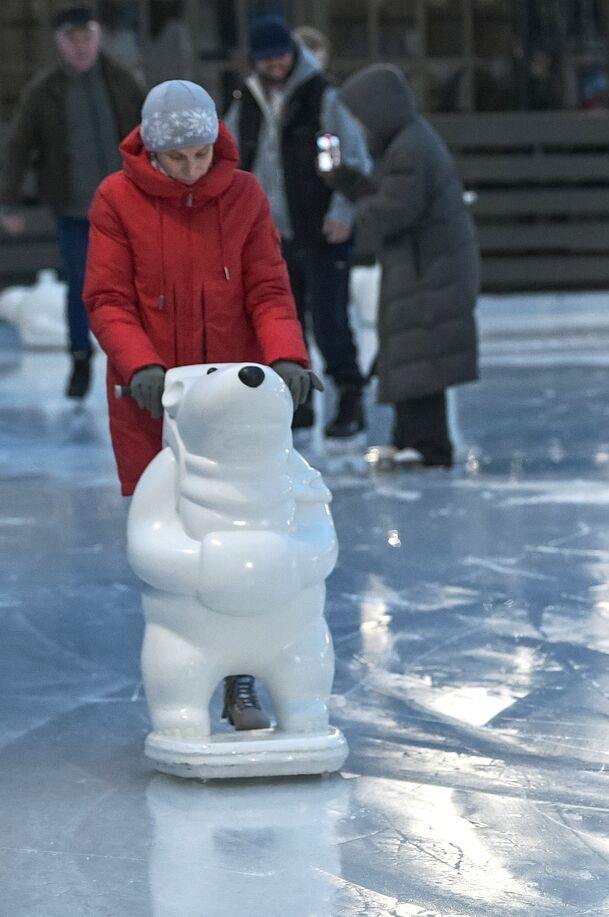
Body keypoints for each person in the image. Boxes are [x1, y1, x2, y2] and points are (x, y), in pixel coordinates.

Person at [83, 79, 320, 730]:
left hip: (229, 405)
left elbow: (268, 289)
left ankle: (240, 681)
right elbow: (106, 299)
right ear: (152, 151)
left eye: (201, 152)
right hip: (152, 397)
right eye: (177, 157)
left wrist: (287, 357)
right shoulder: (116, 200)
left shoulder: (242, 195)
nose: (192, 167)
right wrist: (142, 366)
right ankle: (187, 671)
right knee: (178, 545)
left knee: (244, 537)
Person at [322, 64, 479, 469]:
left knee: (420, 354)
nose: (357, 125)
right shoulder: (405, 142)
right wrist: (348, 181)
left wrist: (359, 212)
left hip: (430, 266)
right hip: (422, 263)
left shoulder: (410, 147)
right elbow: (388, 194)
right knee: (408, 351)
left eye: (360, 116)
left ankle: (429, 445)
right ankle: (409, 437)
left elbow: (396, 209)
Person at [226, 16, 372, 438]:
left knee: (329, 320)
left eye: (281, 56)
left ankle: (349, 396)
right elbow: (231, 159)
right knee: (283, 324)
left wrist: (343, 213)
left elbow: (353, 161)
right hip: (271, 237)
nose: (274, 65)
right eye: (266, 59)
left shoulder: (323, 97)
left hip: (322, 229)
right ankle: (297, 402)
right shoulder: (247, 100)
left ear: (292, 53)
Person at [0, 6, 144, 399]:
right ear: (60, 43)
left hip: (126, 205)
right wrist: (8, 202)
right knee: (82, 285)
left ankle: (138, 361)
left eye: (87, 38)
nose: (81, 47)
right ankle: (80, 358)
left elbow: (147, 133)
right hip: (73, 208)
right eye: (72, 40)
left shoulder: (121, 80)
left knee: (136, 283)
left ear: (97, 38)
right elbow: (17, 148)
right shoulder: (43, 90)